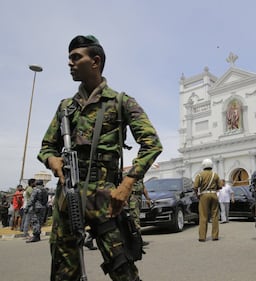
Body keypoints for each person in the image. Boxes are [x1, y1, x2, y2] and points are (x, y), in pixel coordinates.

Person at [37, 35, 162, 281]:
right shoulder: (66, 107)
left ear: (95, 61)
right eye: (69, 58)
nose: (70, 64)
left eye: (76, 58)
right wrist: (52, 160)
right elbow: (46, 147)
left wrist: (128, 184)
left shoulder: (120, 102)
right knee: (64, 272)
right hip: (68, 196)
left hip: (106, 198)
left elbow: (152, 144)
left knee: (123, 270)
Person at [193, 158, 222, 242]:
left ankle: (202, 237)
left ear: (203, 165)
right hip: (213, 194)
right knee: (215, 216)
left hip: (204, 195)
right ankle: (215, 236)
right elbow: (220, 187)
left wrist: (197, 195)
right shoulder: (215, 175)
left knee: (203, 216)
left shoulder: (199, 175)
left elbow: (195, 187)